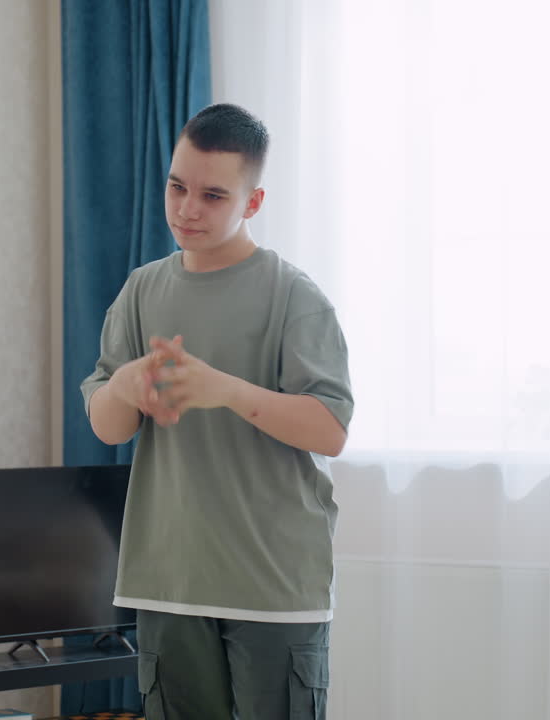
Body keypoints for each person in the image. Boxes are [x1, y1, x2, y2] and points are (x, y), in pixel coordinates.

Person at [80, 103, 354, 720]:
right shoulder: (141, 291)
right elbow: (108, 426)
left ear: (252, 203)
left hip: (273, 586)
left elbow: (331, 430)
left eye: (211, 195)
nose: (186, 209)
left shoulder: (295, 297)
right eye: (177, 186)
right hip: (168, 581)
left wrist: (224, 390)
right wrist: (124, 385)